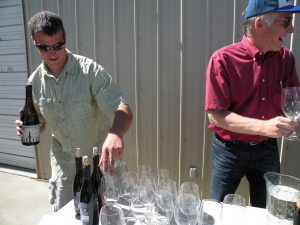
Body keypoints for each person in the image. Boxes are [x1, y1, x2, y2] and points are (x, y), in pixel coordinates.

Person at [15, 11, 133, 211]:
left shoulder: (89, 71)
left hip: (100, 167)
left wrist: (116, 132)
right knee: (66, 218)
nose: (52, 53)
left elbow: (123, 107)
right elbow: (41, 122)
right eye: (44, 48)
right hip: (66, 170)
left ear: (65, 38)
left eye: (57, 46)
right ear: (34, 43)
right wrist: (28, 128)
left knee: (109, 215)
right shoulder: (35, 82)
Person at [205, 0, 300, 208]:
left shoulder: (286, 58)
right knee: (218, 208)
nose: (291, 29)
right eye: (286, 22)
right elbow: (216, 115)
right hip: (229, 152)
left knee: (268, 211)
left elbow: (295, 99)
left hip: (267, 150)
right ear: (259, 24)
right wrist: (264, 127)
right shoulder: (223, 59)